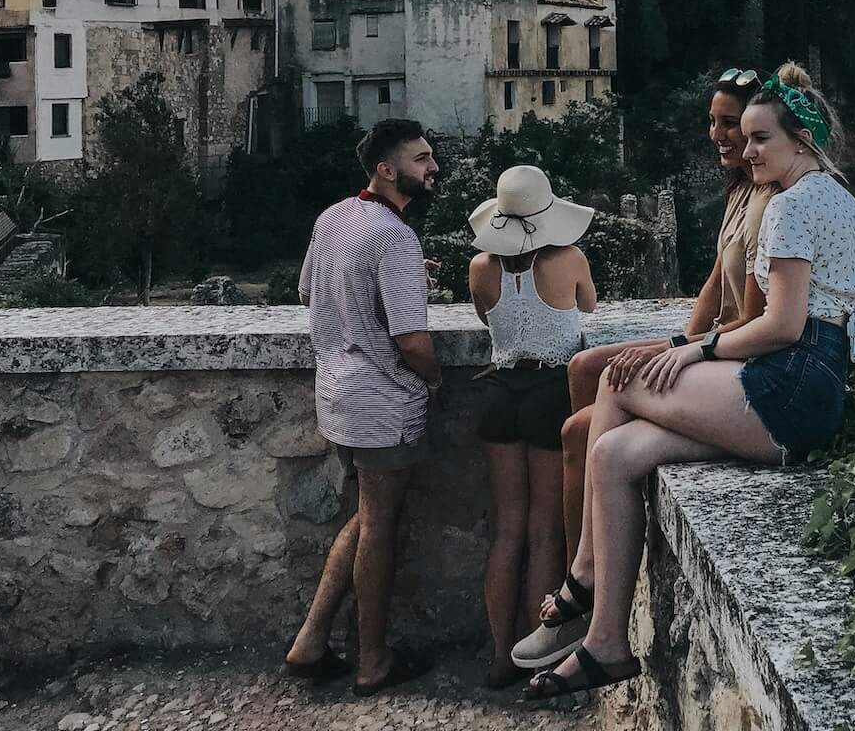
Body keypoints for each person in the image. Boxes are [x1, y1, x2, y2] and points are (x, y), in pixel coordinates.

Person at [525, 63, 855, 703]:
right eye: (748, 135)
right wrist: (696, 348)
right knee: (615, 453)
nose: (749, 148)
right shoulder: (832, 194)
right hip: (810, 391)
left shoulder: (793, 205)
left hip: (789, 386)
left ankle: (587, 571)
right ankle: (605, 643)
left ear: (802, 140)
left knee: (621, 379)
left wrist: (696, 349)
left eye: (762, 137)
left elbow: (783, 326)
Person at [510, 68, 774, 672]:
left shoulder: (770, 201)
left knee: (581, 432)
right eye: (714, 122)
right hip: (706, 337)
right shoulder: (740, 191)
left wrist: (685, 349)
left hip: (731, 349)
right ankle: (587, 575)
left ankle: (584, 589)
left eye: (731, 124)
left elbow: (757, 321)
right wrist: (678, 336)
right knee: (585, 365)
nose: (719, 134)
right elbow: (713, 283)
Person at [283, 119, 442, 696]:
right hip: (383, 401)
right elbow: (412, 340)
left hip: (338, 395)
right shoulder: (397, 236)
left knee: (365, 515)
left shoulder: (335, 218)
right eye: (421, 160)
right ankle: (372, 660)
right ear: (386, 169)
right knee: (380, 525)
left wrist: (396, 279)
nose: (433, 169)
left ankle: (310, 640)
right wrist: (435, 379)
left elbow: (310, 289)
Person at [466, 165, 598, 689]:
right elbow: (587, 306)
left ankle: (500, 655)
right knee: (545, 528)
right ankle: (535, 653)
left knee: (507, 530)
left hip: (500, 392)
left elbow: (484, 318)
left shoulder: (481, 267)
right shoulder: (568, 259)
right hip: (549, 392)